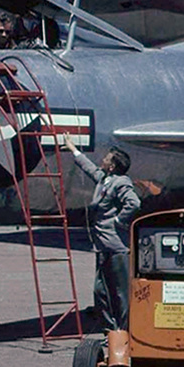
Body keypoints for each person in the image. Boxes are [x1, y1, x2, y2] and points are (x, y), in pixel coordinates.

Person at [62, 136, 140, 330]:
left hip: (116, 249)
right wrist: (73, 150)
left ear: (112, 166)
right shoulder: (105, 180)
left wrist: (119, 221)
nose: (102, 160)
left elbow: (134, 203)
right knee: (100, 292)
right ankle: (110, 329)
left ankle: (124, 331)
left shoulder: (121, 183)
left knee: (121, 293)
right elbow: (90, 168)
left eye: (107, 158)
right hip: (103, 248)